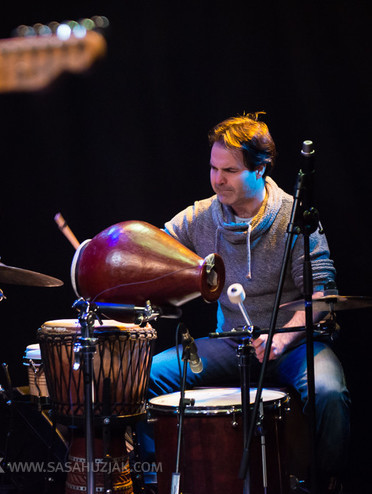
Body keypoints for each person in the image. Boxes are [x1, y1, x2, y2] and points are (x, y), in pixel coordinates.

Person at [142, 113, 350, 492]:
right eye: (213, 168)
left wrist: (282, 339)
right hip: (232, 341)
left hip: (296, 343)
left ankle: (324, 483)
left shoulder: (295, 217)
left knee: (329, 393)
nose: (218, 179)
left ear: (260, 168)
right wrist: (116, 253)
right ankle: (159, 480)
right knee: (149, 375)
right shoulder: (202, 217)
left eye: (230, 170)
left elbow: (323, 297)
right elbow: (154, 247)